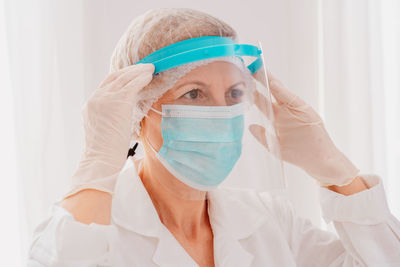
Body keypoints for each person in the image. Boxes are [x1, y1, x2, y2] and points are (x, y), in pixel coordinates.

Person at [28, 8, 400, 267]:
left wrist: (335, 168)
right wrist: (96, 165)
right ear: (137, 112)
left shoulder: (267, 221)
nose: (221, 113)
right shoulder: (86, 230)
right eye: (193, 93)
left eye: (235, 95)